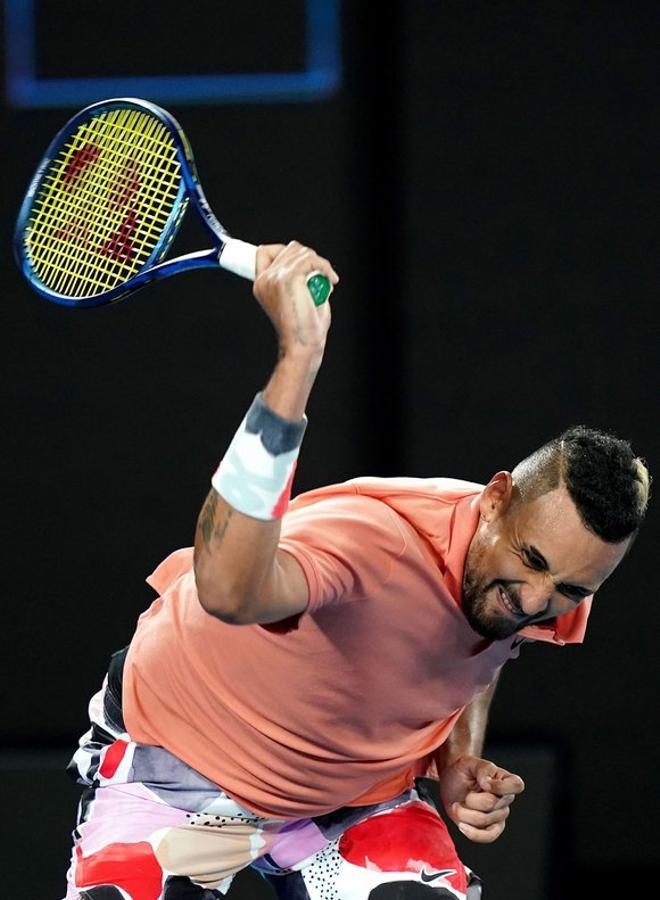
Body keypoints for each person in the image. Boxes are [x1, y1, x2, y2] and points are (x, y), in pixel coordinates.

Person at [62, 242, 650, 900]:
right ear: (494, 501)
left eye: (569, 589)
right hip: (186, 762)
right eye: (532, 564)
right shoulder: (373, 544)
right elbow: (227, 589)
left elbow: (477, 648)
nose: (540, 598)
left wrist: (455, 760)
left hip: (351, 800)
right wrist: (298, 361)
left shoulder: (555, 574)